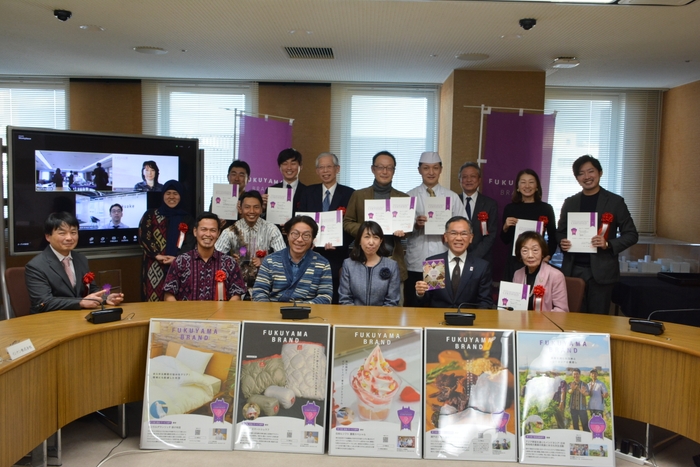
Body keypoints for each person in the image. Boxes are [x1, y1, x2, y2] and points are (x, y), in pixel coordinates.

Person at [557, 155, 639, 314]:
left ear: (600, 173)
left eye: (591, 171)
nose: (586, 176)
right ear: (577, 178)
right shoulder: (570, 202)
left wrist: (608, 244)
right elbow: (560, 232)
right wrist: (562, 241)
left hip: (602, 271)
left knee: (598, 319)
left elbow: (631, 234)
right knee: (572, 318)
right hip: (573, 269)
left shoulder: (615, 202)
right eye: (581, 173)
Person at [25, 212, 125, 313]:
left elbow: (92, 289)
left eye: (73, 232)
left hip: (79, 316)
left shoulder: (81, 259)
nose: (69, 238)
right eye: (62, 233)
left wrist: (105, 298)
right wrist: (80, 302)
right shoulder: (36, 266)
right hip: (50, 319)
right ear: (48, 237)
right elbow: (43, 302)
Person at [405, 151, 463, 307]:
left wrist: (449, 229)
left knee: (436, 304)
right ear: (419, 170)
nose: (431, 172)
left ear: (441, 169)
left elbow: (464, 227)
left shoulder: (452, 197)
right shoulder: (409, 196)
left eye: (435, 168)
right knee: (415, 303)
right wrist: (416, 225)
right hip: (417, 259)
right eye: (426, 168)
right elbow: (401, 231)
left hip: (440, 259)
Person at [343, 151, 409, 282]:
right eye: (380, 167)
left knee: (394, 295)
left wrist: (404, 231)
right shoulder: (358, 195)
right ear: (373, 169)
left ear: (394, 171)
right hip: (364, 259)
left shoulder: (403, 198)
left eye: (389, 168)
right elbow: (347, 222)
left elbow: (408, 229)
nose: (385, 171)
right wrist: (366, 230)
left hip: (392, 258)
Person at [298, 152, 355, 303]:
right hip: (310, 254)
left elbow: (352, 224)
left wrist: (339, 243)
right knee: (310, 295)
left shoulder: (350, 194)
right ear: (317, 171)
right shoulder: (307, 192)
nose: (325, 171)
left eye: (329, 166)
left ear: (337, 169)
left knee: (335, 297)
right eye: (321, 167)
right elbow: (301, 221)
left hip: (337, 256)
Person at [214, 190, 286, 293]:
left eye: (256, 207)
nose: (252, 211)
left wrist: (265, 261)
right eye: (247, 207)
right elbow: (215, 257)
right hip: (236, 287)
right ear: (240, 209)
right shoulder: (230, 231)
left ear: (261, 209)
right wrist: (230, 261)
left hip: (266, 286)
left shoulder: (271, 229)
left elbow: (283, 258)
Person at [163, 212, 246, 301]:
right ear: (195, 232)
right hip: (187, 310)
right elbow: (169, 294)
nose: (208, 234)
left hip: (220, 310)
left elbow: (236, 295)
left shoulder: (229, 263)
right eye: (204, 229)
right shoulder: (180, 261)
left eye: (213, 230)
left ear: (218, 233)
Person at [415, 216, 493, 309]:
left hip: (468, 317)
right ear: (446, 237)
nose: (458, 238)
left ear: (471, 238)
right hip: (438, 316)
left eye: (464, 234)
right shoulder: (434, 263)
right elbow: (425, 300)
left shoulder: (481, 266)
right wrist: (420, 293)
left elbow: (485, 302)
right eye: (453, 233)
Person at [252, 215, 332, 303]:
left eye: (306, 235)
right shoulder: (270, 260)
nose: (299, 239)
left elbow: (325, 297)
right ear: (288, 235)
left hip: (308, 310)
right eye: (295, 234)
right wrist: (269, 309)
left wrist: (299, 308)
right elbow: (259, 292)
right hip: (273, 310)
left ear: (313, 239)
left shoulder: (322, 264)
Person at [138, 180, 196, 301]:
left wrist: (177, 259)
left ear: (181, 196)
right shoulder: (151, 215)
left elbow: (190, 243)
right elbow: (144, 237)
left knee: (177, 302)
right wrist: (157, 255)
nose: (171, 197)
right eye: (168, 193)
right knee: (153, 301)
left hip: (179, 265)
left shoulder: (187, 218)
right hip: (154, 265)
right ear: (163, 195)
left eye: (175, 193)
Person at [500, 169, 557, 281]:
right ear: (517, 187)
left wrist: (548, 255)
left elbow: (553, 237)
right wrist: (505, 227)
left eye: (531, 182)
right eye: (523, 182)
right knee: (514, 291)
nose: (527, 186)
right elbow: (505, 240)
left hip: (537, 260)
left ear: (537, 187)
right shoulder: (510, 208)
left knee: (537, 290)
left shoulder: (546, 208)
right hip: (515, 261)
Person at [338, 221, 400, 306]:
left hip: (382, 314)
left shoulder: (391, 265)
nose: (371, 242)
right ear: (359, 240)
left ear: (380, 241)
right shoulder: (348, 264)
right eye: (367, 237)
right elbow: (345, 299)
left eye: (376, 237)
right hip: (354, 313)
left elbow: (392, 301)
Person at [511, 231, 568, 311]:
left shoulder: (556, 275)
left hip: (545, 319)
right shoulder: (517, 274)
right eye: (525, 251)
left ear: (542, 253)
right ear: (520, 254)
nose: (530, 255)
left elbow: (561, 310)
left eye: (535, 250)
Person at [457, 162, 498, 271]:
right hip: (456, 257)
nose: (468, 180)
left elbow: (491, 235)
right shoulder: (453, 201)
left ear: (479, 180)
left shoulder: (490, 204)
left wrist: (474, 256)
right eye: (464, 177)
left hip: (482, 259)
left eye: (473, 176)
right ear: (459, 180)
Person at [263, 148, 306, 219]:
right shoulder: (271, 191)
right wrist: (263, 208)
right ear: (279, 167)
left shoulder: (307, 192)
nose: (289, 167)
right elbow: (265, 218)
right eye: (285, 164)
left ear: (300, 166)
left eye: (293, 163)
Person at [211, 160, 250, 230]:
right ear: (228, 177)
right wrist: (216, 223)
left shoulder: (251, 200)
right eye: (234, 174)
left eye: (241, 175)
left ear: (248, 179)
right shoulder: (217, 197)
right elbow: (209, 220)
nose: (237, 179)